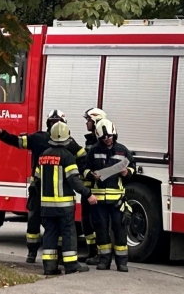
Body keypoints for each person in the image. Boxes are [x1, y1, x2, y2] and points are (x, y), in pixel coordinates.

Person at [0, 109, 83, 263]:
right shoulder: (39, 138)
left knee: (58, 222)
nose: (56, 125)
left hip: (55, 188)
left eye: (58, 122)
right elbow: (18, 142)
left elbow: (82, 156)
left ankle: (59, 254)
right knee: (34, 220)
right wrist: (3, 134)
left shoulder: (69, 142)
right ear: (49, 124)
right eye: (53, 122)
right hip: (39, 187)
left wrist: (78, 173)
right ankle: (32, 253)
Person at [37, 121, 97, 276]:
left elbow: (37, 180)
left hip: (46, 206)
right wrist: (88, 194)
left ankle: (49, 266)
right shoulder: (68, 156)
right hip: (63, 206)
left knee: (50, 233)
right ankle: (71, 265)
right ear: (66, 138)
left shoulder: (43, 156)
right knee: (68, 233)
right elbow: (74, 180)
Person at [86, 119, 136, 272]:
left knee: (120, 230)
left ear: (114, 134)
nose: (108, 139)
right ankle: (104, 260)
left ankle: (122, 263)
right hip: (99, 201)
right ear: (99, 137)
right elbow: (84, 169)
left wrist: (127, 172)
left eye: (110, 136)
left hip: (117, 201)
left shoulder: (122, 150)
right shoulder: (93, 150)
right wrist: (90, 175)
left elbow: (133, 167)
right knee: (101, 230)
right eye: (104, 137)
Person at [81, 108, 107, 255]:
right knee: (86, 221)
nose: (86, 123)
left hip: (97, 190)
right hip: (87, 188)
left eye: (89, 120)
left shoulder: (101, 143)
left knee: (97, 221)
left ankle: (99, 252)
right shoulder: (90, 141)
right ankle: (92, 251)